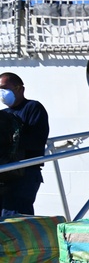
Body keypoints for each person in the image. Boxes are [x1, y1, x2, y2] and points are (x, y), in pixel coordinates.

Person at [0, 72, 49, 216]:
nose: (2, 93)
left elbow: (37, 140)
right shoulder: (3, 114)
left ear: (20, 89)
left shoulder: (33, 108)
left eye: (4, 88)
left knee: (16, 217)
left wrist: (11, 141)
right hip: (5, 174)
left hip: (25, 173)